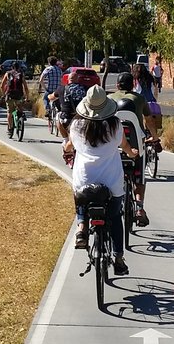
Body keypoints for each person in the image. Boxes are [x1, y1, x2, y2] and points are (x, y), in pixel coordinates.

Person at [61, 85, 140, 270]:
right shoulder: (115, 125)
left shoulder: (77, 126)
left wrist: (65, 147)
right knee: (114, 216)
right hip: (112, 182)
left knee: (80, 199)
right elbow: (126, 147)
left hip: (84, 181)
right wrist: (132, 153)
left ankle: (81, 228)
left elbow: (69, 147)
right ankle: (118, 257)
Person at [113, 71, 151, 226]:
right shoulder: (139, 98)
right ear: (133, 84)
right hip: (136, 149)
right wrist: (154, 137)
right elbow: (149, 120)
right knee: (139, 177)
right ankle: (139, 208)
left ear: (117, 85)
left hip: (114, 149)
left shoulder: (110, 99)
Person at [53, 66, 100, 139]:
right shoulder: (85, 88)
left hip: (67, 118)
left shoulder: (61, 89)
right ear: (78, 79)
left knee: (58, 116)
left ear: (68, 80)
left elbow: (52, 97)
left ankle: (65, 139)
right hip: (81, 117)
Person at [1, 61, 29, 133]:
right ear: (19, 67)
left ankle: (10, 128)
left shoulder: (8, 73)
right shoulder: (21, 75)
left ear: (11, 67)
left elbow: (2, 85)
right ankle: (21, 115)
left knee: (10, 112)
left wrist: (4, 94)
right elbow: (25, 87)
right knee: (19, 106)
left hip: (10, 94)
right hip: (19, 95)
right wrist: (27, 97)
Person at [38, 55, 62, 122]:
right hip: (58, 90)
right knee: (58, 101)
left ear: (49, 63)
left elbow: (41, 80)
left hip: (50, 90)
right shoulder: (59, 70)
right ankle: (59, 112)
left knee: (45, 98)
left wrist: (45, 88)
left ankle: (48, 109)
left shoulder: (48, 69)